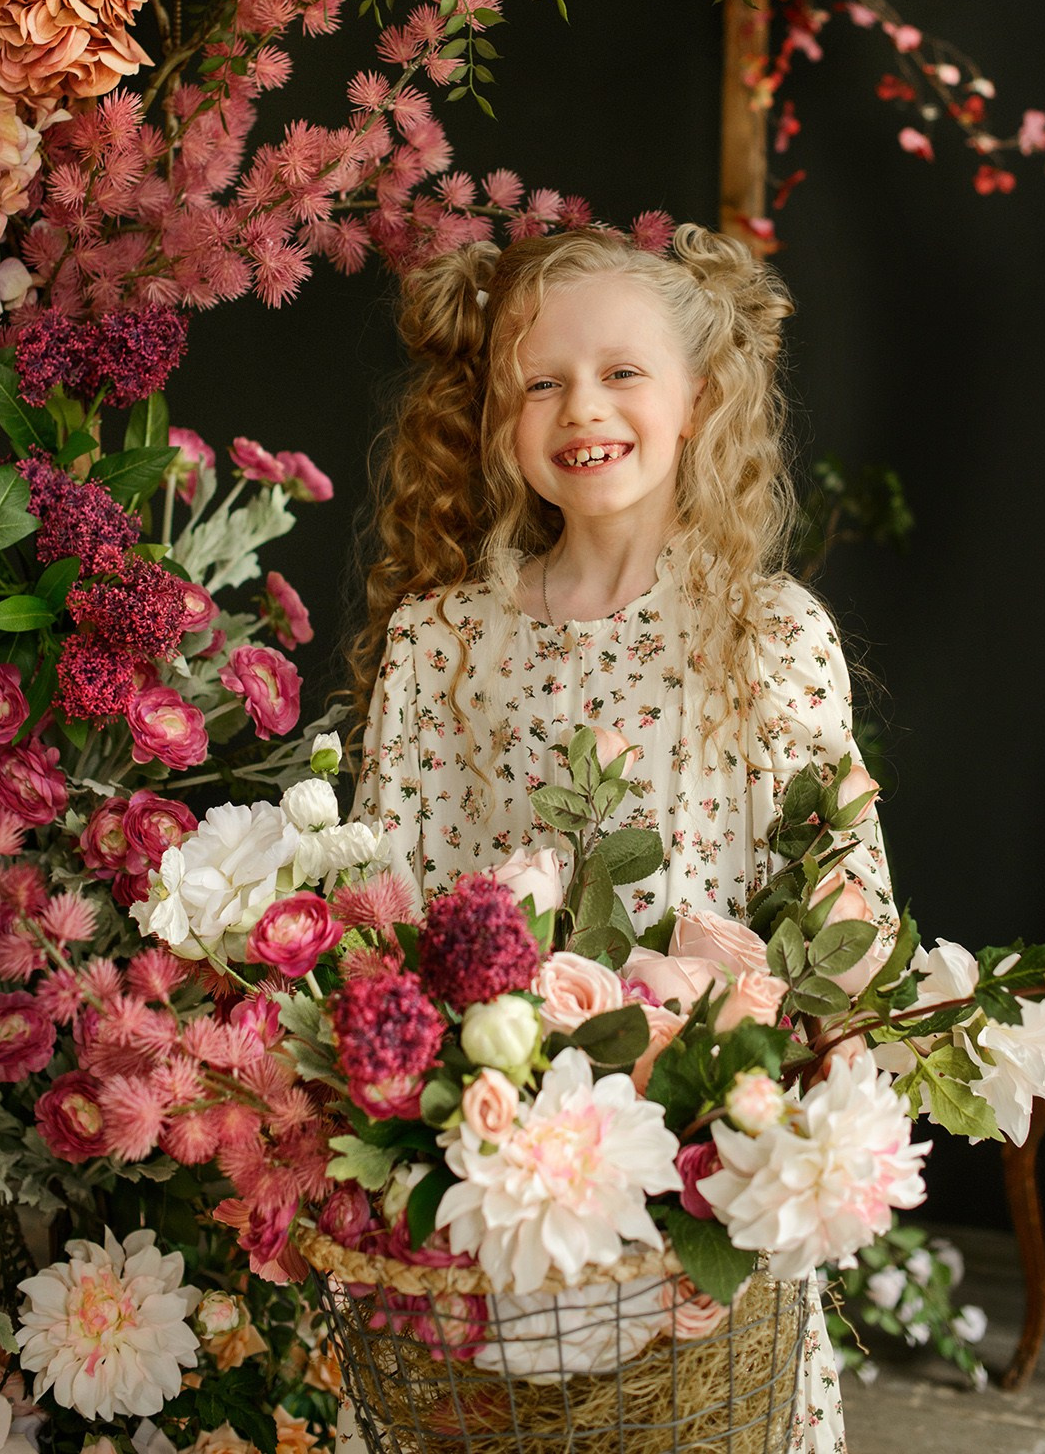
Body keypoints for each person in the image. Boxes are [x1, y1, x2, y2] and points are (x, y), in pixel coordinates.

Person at [348, 223, 898, 1454]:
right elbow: (392, 899)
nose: (578, 407)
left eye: (620, 372)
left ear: (701, 397)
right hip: (499, 1174)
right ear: (494, 413)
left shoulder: (769, 635)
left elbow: (840, 902)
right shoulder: (445, 643)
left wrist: (788, 1108)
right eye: (537, 381)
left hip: (702, 1179)